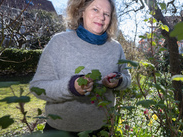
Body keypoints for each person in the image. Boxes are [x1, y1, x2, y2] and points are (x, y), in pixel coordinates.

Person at [29, 0, 131, 136]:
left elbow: (126, 79)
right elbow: (37, 87)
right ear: (81, 11)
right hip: (60, 130)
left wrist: (118, 81)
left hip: (102, 128)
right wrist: (70, 87)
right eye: (95, 9)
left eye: (106, 14)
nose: (101, 17)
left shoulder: (115, 47)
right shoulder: (59, 42)